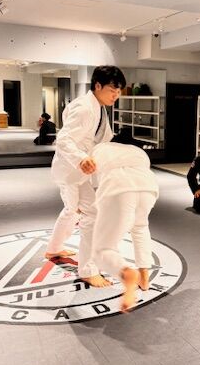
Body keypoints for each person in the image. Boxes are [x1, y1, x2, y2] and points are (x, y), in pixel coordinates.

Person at [46, 65, 126, 288]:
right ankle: (88, 270)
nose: (116, 95)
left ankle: (54, 249)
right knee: (90, 214)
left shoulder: (98, 107)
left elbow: (100, 140)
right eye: (112, 90)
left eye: (119, 91)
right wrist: (81, 158)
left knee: (73, 211)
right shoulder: (85, 108)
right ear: (98, 85)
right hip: (72, 171)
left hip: (79, 172)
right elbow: (63, 139)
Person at [91, 128, 159, 312]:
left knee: (102, 249)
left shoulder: (101, 148)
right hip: (148, 187)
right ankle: (144, 275)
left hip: (118, 187)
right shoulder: (140, 152)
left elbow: (93, 181)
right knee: (140, 227)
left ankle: (126, 273)